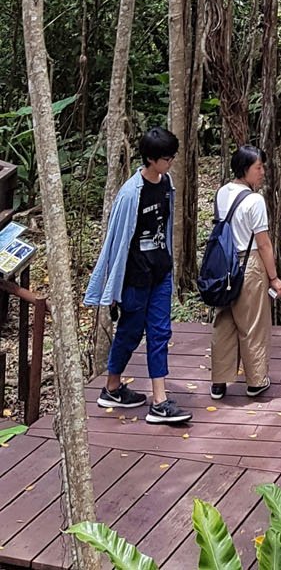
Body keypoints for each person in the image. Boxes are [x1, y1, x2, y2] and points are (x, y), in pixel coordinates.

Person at [85, 126, 193, 426]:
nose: (171, 162)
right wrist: (112, 287)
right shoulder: (130, 194)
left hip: (160, 274)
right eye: (167, 158)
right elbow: (116, 243)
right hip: (135, 278)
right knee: (130, 334)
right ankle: (112, 387)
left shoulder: (166, 183)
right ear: (151, 158)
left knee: (159, 334)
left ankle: (159, 401)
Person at [209, 145, 281, 400]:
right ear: (245, 169)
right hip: (249, 264)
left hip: (224, 264)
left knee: (225, 321)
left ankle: (219, 381)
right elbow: (263, 243)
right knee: (253, 323)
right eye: (258, 167)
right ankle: (255, 380)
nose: (262, 172)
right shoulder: (255, 200)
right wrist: (274, 277)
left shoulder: (221, 193)